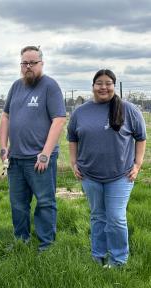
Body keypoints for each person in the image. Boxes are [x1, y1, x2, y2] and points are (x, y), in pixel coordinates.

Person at [67, 69, 146, 267]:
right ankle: (98, 255)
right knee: (97, 216)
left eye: (108, 83)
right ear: (92, 86)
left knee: (116, 218)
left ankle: (118, 259)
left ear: (114, 85)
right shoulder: (80, 112)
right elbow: (72, 138)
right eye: (99, 83)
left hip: (121, 175)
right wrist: (74, 163)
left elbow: (141, 138)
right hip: (90, 175)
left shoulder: (129, 109)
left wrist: (137, 165)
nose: (104, 87)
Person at [0, 46, 66, 252]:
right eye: (24, 63)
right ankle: (22, 240)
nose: (28, 67)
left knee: (45, 202)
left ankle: (46, 244)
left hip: (39, 159)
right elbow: (6, 116)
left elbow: (59, 119)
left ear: (41, 64)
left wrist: (45, 154)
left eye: (32, 63)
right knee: (18, 204)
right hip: (16, 159)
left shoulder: (50, 86)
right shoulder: (16, 86)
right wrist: (3, 147)